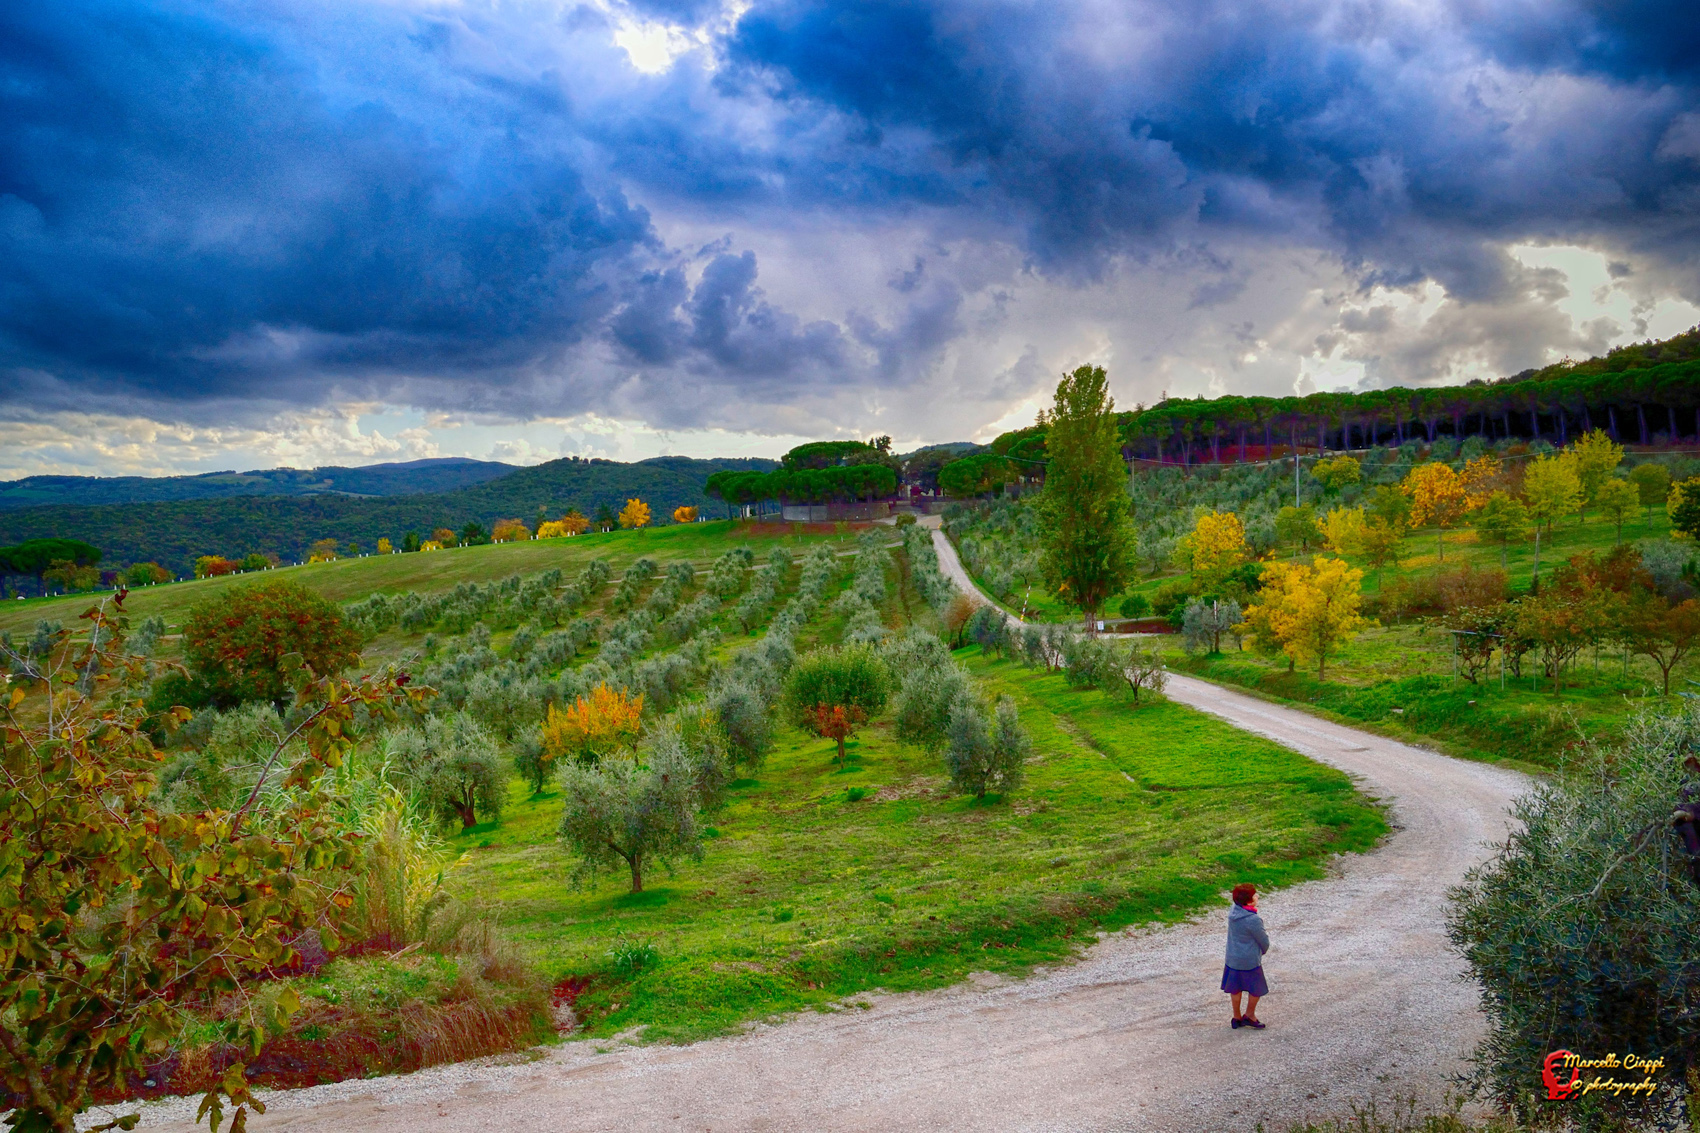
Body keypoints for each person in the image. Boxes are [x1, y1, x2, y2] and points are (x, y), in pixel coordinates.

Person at [1223, 882, 1269, 1029]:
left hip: (1233, 958)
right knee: (1256, 989)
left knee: (1235, 989)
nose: (1257, 896)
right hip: (1249, 961)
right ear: (1249, 900)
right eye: (1254, 894)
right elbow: (1263, 941)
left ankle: (1236, 1017)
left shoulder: (1233, 912)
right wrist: (1263, 950)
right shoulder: (1253, 920)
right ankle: (1249, 1015)